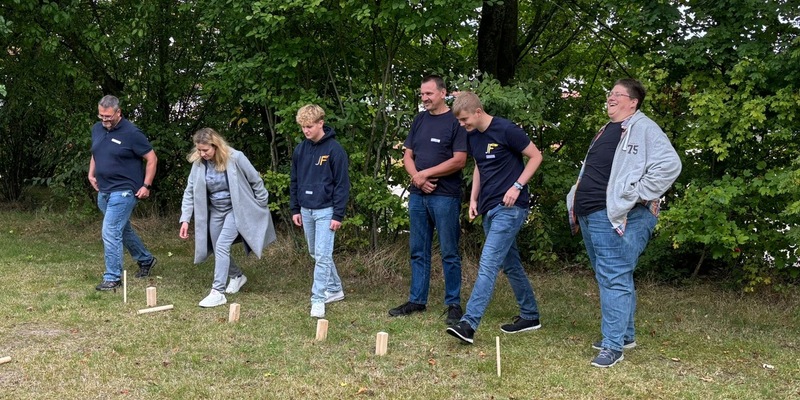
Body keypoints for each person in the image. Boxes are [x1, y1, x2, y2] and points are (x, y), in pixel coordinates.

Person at [567, 78, 681, 367]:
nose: (611, 97)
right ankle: (625, 335)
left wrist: (636, 193)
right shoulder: (607, 129)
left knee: (614, 277)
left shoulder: (644, 128)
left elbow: (670, 164)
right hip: (590, 214)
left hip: (614, 215)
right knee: (610, 276)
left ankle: (613, 345)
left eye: (618, 94)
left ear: (634, 102)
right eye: (610, 93)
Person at [446, 91, 543, 344]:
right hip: (489, 208)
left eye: (465, 119)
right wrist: (474, 199)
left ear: (478, 112)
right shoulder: (473, 136)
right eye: (459, 121)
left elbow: (536, 156)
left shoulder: (506, 129)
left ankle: (469, 323)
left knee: (488, 264)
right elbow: (479, 165)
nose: (462, 125)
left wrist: (517, 186)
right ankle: (530, 315)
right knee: (510, 264)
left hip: (510, 208)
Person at [389, 75, 468, 325]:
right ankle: (417, 300)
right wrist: (418, 178)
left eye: (429, 94)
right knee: (417, 251)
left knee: (449, 252)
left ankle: (453, 304)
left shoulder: (455, 122)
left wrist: (427, 174)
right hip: (418, 196)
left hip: (444, 197)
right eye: (422, 94)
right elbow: (407, 155)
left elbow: (459, 160)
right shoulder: (420, 120)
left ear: (442, 93)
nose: (424, 99)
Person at [179, 128, 276, 308]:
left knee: (222, 245)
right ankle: (237, 276)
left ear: (215, 146)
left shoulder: (236, 157)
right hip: (216, 210)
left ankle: (217, 292)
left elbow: (255, 180)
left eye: (206, 150)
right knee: (217, 248)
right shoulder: (198, 164)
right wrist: (185, 219)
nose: (202, 153)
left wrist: (261, 205)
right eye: (199, 150)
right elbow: (190, 191)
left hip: (236, 210)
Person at [89, 95, 158, 290]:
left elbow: (152, 159)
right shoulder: (97, 128)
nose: (105, 119)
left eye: (108, 116)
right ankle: (145, 259)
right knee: (122, 229)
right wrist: (91, 173)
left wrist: (146, 185)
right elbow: (96, 152)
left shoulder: (132, 133)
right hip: (104, 191)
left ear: (118, 112)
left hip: (125, 191)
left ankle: (113, 278)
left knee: (110, 231)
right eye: (101, 115)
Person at [290, 104, 351, 319]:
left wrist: (338, 215)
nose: (306, 131)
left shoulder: (335, 150)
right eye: (303, 127)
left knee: (323, 256)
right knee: (316, 253)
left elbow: (342, 184)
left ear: (320, 123)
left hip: (326, 210)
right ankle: (335, 289)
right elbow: (295, 180)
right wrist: (295, 208)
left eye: (309, 126)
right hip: (306, 210)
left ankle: (318, 299)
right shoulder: (300, 149)